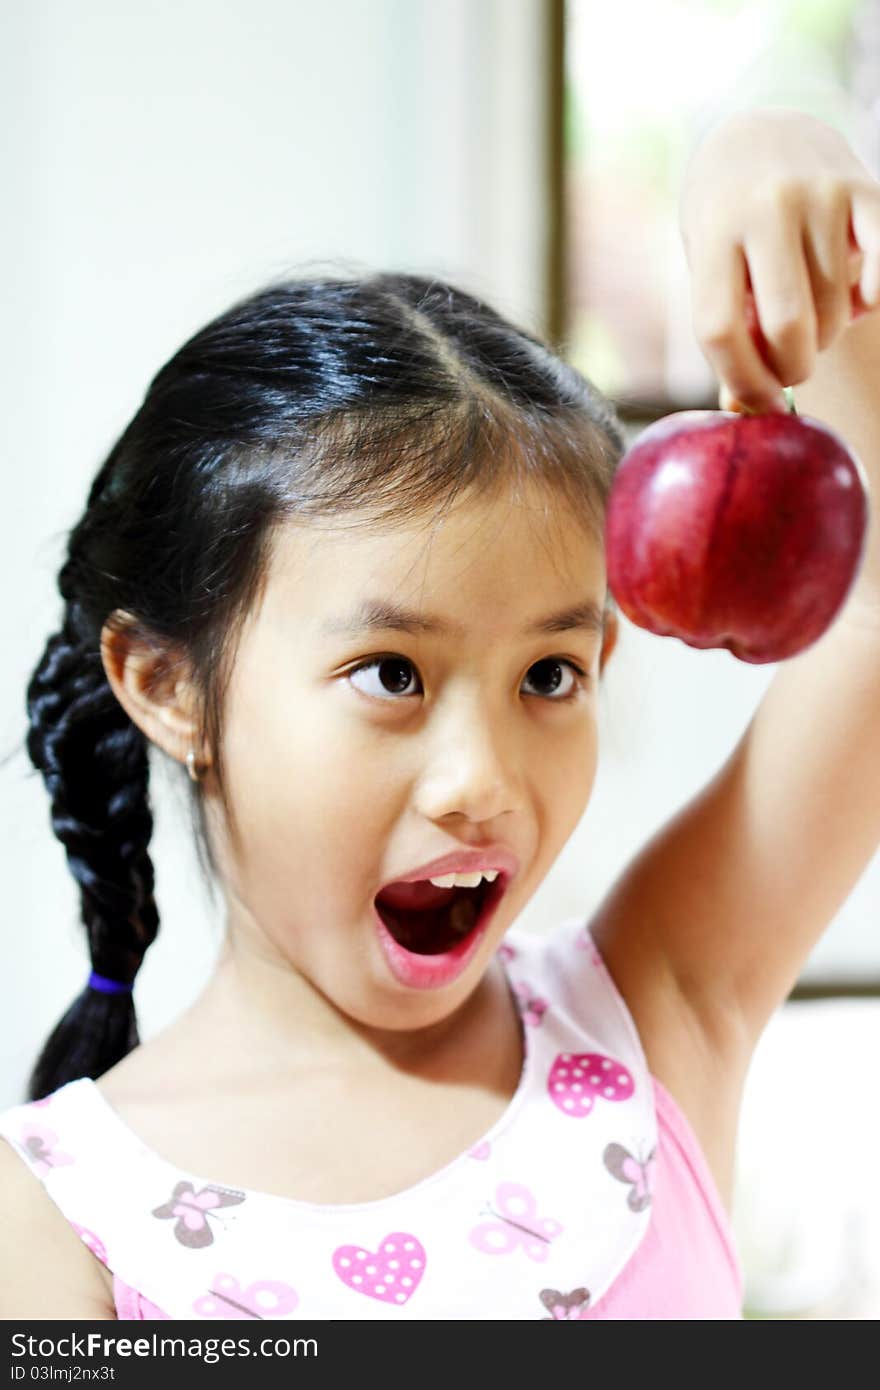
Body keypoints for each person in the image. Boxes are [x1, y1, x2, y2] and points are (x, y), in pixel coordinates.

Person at [2, 105, 879, 1322]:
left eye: (548, 676)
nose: (482, 780)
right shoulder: (52, 1220)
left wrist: (791, 179)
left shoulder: (657, 1008)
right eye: (391, 675)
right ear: (168, 685)